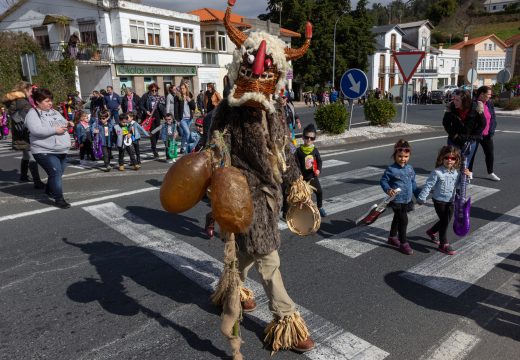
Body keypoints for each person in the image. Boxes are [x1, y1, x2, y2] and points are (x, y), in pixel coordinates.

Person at [204, 2, 315, 354]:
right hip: (239, 194)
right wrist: (215, 197)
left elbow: (283, 151)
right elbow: (216, 151)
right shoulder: (226, 110)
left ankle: (231, 288)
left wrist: (296, 188)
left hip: (268, 197)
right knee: (269, 258)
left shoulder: (276, 110)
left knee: (247, 255)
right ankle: (287, 319)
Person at [417, 146, 472, 255]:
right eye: (447, 157)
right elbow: (428, 185)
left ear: (456, 160)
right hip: (439, 201)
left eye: (453, 158)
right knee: (444, 222)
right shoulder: (437, 172)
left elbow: (461, 186)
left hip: (451, 201)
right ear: (442, 158)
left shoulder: (456, 173)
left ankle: (431, 231)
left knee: (445, 220)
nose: (449, 160)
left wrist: (468, 176)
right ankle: (444, 244)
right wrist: (422, 197)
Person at [25, 88, 73, 209]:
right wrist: (54, 130)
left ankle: (49, 189)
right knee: (55, 172)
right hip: (44, 150)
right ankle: (59, 199)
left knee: (58, 173)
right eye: (47, 101)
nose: (50, 103)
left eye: (51, 100)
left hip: (61, 149)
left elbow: (62, 122)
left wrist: (68, 123)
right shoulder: (32, 113)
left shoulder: (55, 112)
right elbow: (36, 130)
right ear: (37, 102)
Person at [380, 139, 421, 255]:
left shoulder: (410, 168)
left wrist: (418, 194)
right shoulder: (391, 169)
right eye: (400, 156)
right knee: (403, 220)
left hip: (407, 200)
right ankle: (403, 243)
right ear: (395, 155)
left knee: (397, 219)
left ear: (409, 156)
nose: (403, 159)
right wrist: (388, 189)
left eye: (406, 156)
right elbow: (383, 181)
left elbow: (413, 183)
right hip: (396, 200)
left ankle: (392, 237)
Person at [1, 81, 44, 188]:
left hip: (19, 132)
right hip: (25, 132)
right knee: (32, 156)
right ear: (24, 89)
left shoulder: (15, 100)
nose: (31, 93)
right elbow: (29, 118)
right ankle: (37, 181)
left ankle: (24, 176)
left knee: (26, 155)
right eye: (30, 90)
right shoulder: (22, 102)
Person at [443, 89, 485, 179]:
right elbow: (445, 123)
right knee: (451, 163)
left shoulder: (476, 107)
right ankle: (449, 187)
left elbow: (482, 124)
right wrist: (454, 135)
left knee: (465, 166)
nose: (454, 101)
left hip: (470, 140)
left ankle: (461, 189)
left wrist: (473, 138)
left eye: (457, 100)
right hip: (454, 140)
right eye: (454, 99)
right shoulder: (451, 107)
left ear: (465, 101)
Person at [468, 86, 500, 181]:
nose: (490, 96)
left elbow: (493, 117)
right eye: (488, 94)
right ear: (482, 94)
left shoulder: (489, 103)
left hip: (487, 134)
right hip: (476, 134)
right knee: (471, 154)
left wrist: (492, 130)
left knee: (490, 153)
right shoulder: (473, 103)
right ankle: (469, 172)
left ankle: (490, 173)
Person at [294, 124, 326, 217]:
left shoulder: (314, 150)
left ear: (314, 139)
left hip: (312, 176)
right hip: (302, 178)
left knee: (319, 192)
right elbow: (295, 163)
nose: (309, 140)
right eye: (307, 137)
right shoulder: (298, 151)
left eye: (312, 138)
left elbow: (319, 161)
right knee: (304, 197)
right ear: (303, 137)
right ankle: (304, 211)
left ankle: (319, 207)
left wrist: (318, 170)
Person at [139, 83, 165, 158]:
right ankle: (154, 149)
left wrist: (165, 115)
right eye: (152, 90)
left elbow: (162, 107)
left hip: (157, 115)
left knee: (157, 132)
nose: (154, 92)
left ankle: (154, 145)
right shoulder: (146, 96)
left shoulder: (159, 97)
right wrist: (146, 110)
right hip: (149, 116)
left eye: (155, 90)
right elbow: (140, 105)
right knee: (153, 132)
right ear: (149, 90)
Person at [174, 81, 196, 154]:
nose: (182, 90)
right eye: (181, 88)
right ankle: (190, 148)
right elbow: (176, 109)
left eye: (183, 88)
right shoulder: (177, 97)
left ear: (186, 89)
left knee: (184, 134)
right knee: (187, 133)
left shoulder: (189, 96)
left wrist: (190, 101)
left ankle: (182, 148)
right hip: (182, 119)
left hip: (189, 118)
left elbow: (193, 107)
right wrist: (177, 120)